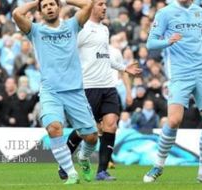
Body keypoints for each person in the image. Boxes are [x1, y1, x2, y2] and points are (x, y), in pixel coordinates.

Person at [12, 0, 98, 185]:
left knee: (91, 137)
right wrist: (36, 1)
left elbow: (88, 5)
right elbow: (17, 14)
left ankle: (83, 158)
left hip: (75, 90)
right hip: (51, 91)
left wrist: (66, 0)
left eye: (52, 4)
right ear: (40, 11)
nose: (49, 7)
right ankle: (71, 173)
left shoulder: (72, 25)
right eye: (45, 6)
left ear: (58, 7)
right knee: (53, 128)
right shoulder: (35, 31)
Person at [143, 0, 202, 183]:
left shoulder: (200, 12)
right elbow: (150, 44)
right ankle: (157, 166)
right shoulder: (165, 13)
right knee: (174, 121)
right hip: (180, 72)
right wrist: (168, 41)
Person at [58, 0, 141, 181]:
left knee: (111, 124)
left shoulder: (104, 29)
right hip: (88, 86)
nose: (104, 7)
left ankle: (102, 171)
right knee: (84, 131)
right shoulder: (82, 28)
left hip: (108, 86)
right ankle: (64, 163)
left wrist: (123, 68)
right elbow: (67, 51)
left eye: (105, 4)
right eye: (100, 4)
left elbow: (104, 57)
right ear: (91, 6)